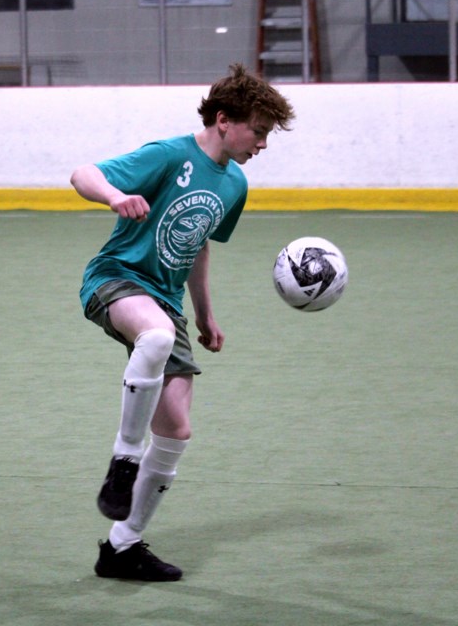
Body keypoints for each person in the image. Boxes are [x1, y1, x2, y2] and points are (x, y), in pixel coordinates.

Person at [70, 63, 295, 582]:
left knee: (175, 430)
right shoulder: (171, 154)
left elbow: (197, 245)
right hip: (116, 279)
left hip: (167, 301)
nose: (262, 144)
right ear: (224, 120)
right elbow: (83, 173)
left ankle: (122, 548)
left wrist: (206, 314)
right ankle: (123, 461)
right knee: (155, 334)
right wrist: (112, 196)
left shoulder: (235, 183)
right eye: (257, 131)